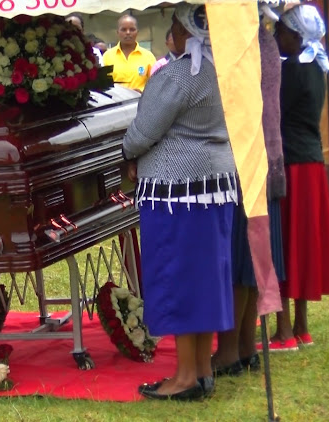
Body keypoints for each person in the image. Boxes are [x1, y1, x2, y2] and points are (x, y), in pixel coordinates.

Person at [122, 4, 235, 401]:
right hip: (215, 187)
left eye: (174, 26)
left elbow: (142, 132)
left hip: (176, 194)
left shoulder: (178, 76)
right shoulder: (224, 70)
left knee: (182, 280)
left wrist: (128, 151)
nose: (171, 34)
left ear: (189, 32)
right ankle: (201, 369)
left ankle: (185, 377)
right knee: (204, 281)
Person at [212, 8, 286, 376]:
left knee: (239, 262)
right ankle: (244, 345)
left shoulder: (248, 48)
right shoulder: (266, 44)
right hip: (264, 159)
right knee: (249, 261)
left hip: (246, 163)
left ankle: (230, 350)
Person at [261, 4, 329, 352]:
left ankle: (283, 331)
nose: (276, 39)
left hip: (290, 164)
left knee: (285, 243)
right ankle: (301, 326)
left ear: (295, 35)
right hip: (310, 165)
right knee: (301, 245)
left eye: (280, 33)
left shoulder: (290, 70)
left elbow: (270, 112)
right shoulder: (316, 66)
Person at [102, 14, 156, 92]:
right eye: (123, 29)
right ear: (117, 32)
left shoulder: (148, 56)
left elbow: (155, 84)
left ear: (137, 32)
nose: (128, 33)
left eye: (132, 29)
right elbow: (103, 85)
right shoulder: (107, 56)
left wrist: (142, 92)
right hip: (116, 102)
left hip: (141, 102)